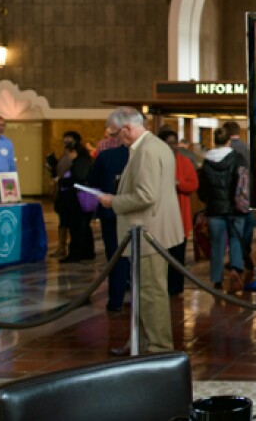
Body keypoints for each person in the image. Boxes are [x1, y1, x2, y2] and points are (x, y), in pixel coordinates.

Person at [98, 107, 183, 354]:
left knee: (150, 293)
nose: (115, 139)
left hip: (148, 230)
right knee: (146, 291)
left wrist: (113, 201)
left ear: (127, 129)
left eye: (115, 134)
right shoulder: (156, 145)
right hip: (154, 228)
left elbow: (146, 195)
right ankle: (142, 341)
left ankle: (157, 347)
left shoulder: (145, 151)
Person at [197, 127, 247, 293]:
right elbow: (242, 182)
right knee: (235, 240)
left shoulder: (207, 161)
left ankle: (216, 280)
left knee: (217, 244)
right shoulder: (237, 158)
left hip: (214, 208)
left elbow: (202, 189)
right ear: (228, 141)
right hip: (235, 208)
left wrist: (207, 201)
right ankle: (235, 269)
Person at [87, 136, 129, 312]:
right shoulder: (143, 155)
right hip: (137, 214)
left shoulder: (106, 156)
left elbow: (93, 182)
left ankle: (115, 299)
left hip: (111, 212)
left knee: (114, 257)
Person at [159, 129, 199, 296]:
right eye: (168, 143)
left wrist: (178, 183)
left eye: (174, 143)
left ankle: (176, 286)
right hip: (160, 216)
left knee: (177, 253)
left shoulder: (184, 161)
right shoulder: (156, 161)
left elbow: (193, 184)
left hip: (179, 215)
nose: (172, 146)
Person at [56, 131, 96, 263]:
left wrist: (62, 181)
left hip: (78, 200)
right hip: (76, 199)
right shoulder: (81, 161)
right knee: (82, 227)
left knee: (77, 227)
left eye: (69, 153)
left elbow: (79, 178)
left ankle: (77, 253)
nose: (68, 156)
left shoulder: (81, 162)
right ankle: (86, 252)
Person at [222, 120, 255, 274]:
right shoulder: (248, 147)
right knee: (248, 225)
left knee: (235, 230)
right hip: (249, 194)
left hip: (232, 197)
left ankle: (236, 262)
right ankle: (245, 252)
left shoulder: (226, 149)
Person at [0, 116, 16, 190]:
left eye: (2, 125)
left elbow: (11, 162)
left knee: (4, 201)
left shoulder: (8, 142)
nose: (0, 127)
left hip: (5, 180)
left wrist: (14, 177)